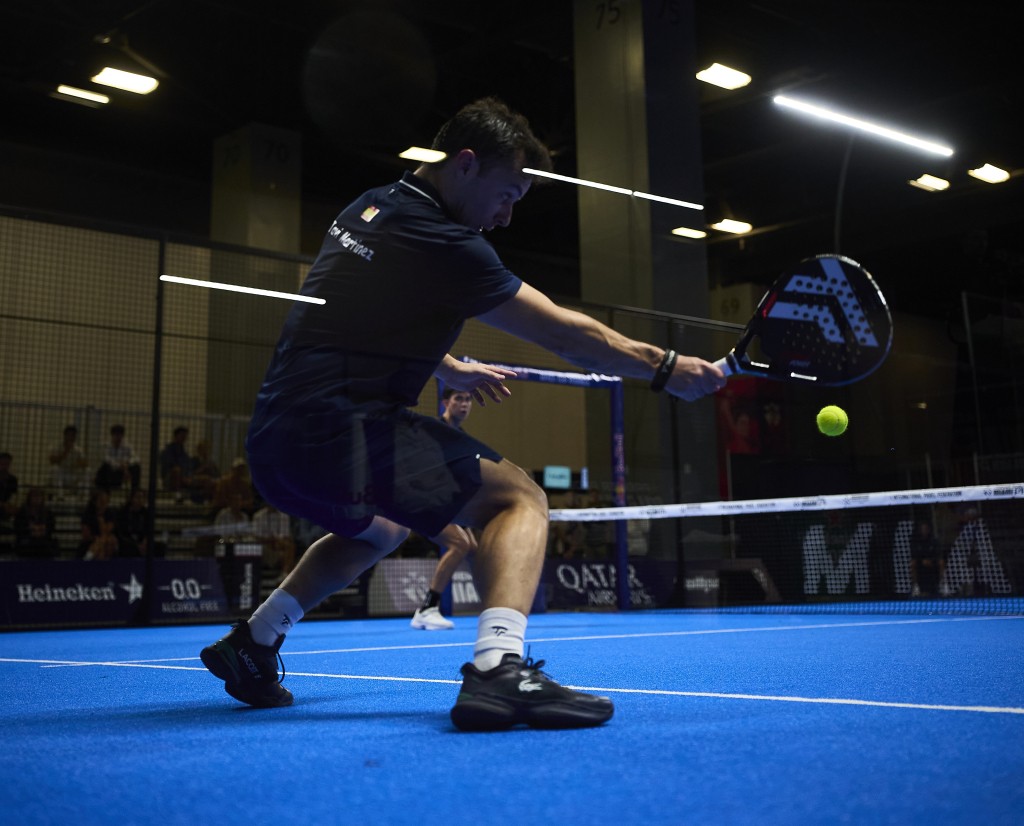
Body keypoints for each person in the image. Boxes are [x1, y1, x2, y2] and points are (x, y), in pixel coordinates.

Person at [200, 97, 724, 731]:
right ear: (466, 165)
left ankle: (254, 642)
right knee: (519, 499)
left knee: (385, 528)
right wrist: (666, 366)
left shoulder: (370, 206)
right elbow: (565, 335)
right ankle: (499, 669)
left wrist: (446, 365)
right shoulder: (449, 244)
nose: (504, 218)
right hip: (343, 431)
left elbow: (358, 311)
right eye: (507, 195)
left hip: (277, 441)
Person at [411, 387, 479, 630]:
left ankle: (492, 604)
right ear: (445, 402)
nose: (464, 404)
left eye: (468, 399)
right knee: (460, 544)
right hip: (418, 498)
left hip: (443, 503)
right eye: (459, 398)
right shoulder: (435, 430)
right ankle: (427, 608)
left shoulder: (462, 437)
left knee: (471, 547)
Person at [13, 486, 60, 558]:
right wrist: (31, 530)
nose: (37, 499)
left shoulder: (48, 513)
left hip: (43, 540)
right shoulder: (22, 512)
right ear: (29, 498)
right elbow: (18, 527)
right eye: (34, 496)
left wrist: (41, 530)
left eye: (39, 496)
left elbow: (51, 527)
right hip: (27, 540)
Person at [252, 501, 297, 575]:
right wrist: (270, 540)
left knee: (290, 546)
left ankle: (284, 573)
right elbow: (256, 537)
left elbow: (285, 535)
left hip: (279, 545)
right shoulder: (258, 516)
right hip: (264, 546)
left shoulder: (284, 516)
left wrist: (277, 541)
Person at [94, 424, 142, 493]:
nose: (118, 438)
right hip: (112, 472)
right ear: (112, 435)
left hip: (123, 472)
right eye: (116, 435)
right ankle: (104, 492)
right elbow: (106, 459)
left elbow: (136, 458)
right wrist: (119, 465)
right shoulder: (106, 446)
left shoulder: (127, 447)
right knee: (105, 467)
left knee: (136, 467)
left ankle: (134, 493)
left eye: (120, 435)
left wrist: (127, 463)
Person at [78, 488, 120, 560]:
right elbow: (86, 535)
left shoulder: (110, 513)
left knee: (109, 540)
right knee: (100, 544)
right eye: (101, 501)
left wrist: (101, 520)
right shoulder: (88, 514)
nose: (103, 504)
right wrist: (95, 538)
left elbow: (107, 531)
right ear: (95, 501)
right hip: (92, 541)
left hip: (107, 541)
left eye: (106, 501)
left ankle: (88, 558)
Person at [48, 424, 89, 491]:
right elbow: (52, 460)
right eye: (69, 435)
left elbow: (86, 463)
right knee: (55, 469)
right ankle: (59, 495)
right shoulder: (57, 447)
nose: (71, 437)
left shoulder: (78, 450)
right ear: (65, 435)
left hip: (73, 474)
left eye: (73, 435)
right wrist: (65, 452)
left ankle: (84, 495)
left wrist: (80, 462)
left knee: (87, 471)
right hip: (61, 474)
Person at [159, 426, 193, 496]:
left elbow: (189, 466)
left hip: (184, 476)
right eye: (182, 436)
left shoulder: (184, 452)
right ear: (176, 436)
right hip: (170, 477)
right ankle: (177, 495)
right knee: (176, 470)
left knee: (205, 479)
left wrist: (188, 476)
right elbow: (170, 465)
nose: (184, 438)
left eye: (185, 436)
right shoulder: (168, 450)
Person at [0, 451, 18, 545]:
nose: (5, 466)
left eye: (7, 464)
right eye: (2, 463)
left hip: (7, 508)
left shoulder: (12, 479)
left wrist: (12, 506)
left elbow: (14, 496)